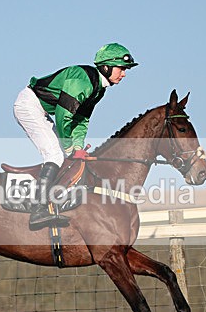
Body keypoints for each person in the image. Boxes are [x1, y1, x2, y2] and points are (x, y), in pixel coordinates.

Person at [13, 43, 138, 230]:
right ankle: (38, 209)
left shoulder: (98, 89)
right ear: (106, 67)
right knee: (55, 155)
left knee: (64, 155)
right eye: (121, 68)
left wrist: (77, 147)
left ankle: (53, 202)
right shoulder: (83, 80)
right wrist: (70, 147)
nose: (124, 74)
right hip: (29, 106)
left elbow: (81, 119)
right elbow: (64, 116)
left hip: (42, 110)